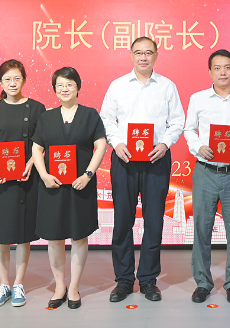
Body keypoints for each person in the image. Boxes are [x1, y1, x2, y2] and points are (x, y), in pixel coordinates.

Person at [100, 36, 185, 302]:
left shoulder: (167, 86)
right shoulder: (118, 86)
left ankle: (148, 280)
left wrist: (165, 144)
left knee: (154, 221)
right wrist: (117, 143)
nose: (143, 57)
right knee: (122, 221)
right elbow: (106, 119)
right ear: (131, 55)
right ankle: (124, 280)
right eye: (138, 52)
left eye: (148, 52)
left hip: (156, 160)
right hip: (124, 159)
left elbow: (177, 121)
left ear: (156, 55)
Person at [183, 50, 230, 304]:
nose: (223, 72)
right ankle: (203, 283)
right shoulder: (198, 98)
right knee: (201, 230)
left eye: (227, 67)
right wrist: (198, 147)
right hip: (205, 171)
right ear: (210, 72)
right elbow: (188, 129)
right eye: (217, 68)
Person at [32, 67, 107, 309]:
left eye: (69, 84)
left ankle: (74, 287)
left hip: (80, 185)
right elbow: (36, 148)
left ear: (78, 87)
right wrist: (44, 175)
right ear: (54, 89)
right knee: (54, 237)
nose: (64, 89)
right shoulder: (46, 117)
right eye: (60, 85)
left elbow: (101, 145)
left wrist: (88, 174)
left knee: (79, 235)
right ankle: (59, 286)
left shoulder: (90, 115)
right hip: (52, 186)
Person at [0, 59, 46, 307]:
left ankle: (18, 284)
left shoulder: (37, 108)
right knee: (1, 234)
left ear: (24, 80)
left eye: (17, 78)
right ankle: (3, 285)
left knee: (23, 233)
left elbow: (41, 143)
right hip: (0, 178)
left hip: (27, 177)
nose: (12, 83)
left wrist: (30, 164)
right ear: (0, 82)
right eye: (7, 79)